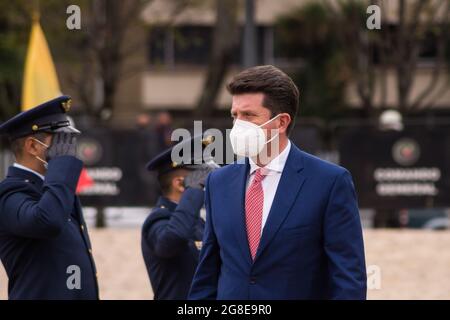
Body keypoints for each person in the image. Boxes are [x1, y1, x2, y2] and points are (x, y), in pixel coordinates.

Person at [189, 65, 367, 300]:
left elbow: (348, 278)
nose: (238, 125)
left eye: (249, 115)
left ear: (281, 122)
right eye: (235, 115)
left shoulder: (329, 182)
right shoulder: (218, 182)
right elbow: (208, 272)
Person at [0, 96, 99, 300]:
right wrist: (62, 166)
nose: (69, 149)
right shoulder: (9, 193)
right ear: (32, 146)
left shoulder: (53, 188)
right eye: (60, 140)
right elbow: (47, 221)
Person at [141, 135, 217, 299]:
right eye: (202, 178)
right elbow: (171, 241)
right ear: (179, 184)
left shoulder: (197, 221)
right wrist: (195, 189)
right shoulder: (158, 219)